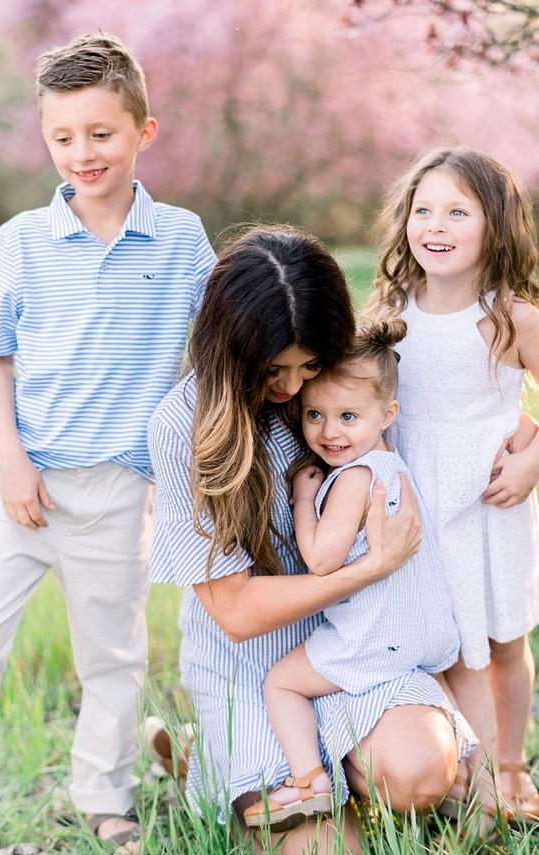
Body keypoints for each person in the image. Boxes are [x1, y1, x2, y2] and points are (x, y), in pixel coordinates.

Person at [146, 224, 476, 854]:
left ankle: (278, 776)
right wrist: (368, 568)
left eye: (309, 365)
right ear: (232, 349)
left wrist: (527, 438)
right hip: (254, 667)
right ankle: (212, 768)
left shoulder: (346, 390)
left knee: (419, 774)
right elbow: (237, 612)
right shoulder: (182, 426)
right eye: (275, 370)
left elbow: (459, 420)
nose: (296, 391)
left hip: (354, 646)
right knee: (329, 848)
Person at [0, 31, 216, 851]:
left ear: (144, 132)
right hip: (21, 480)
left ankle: (104, 793)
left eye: (101, 133)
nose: (82, 153)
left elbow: (226, 337)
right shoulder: (23, 240)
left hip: (117, 485)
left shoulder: (180, 238)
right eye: (62, 137)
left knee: (111, 658)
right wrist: (10, 460)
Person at [366, 145, 539, 825]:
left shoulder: (512, 317)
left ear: (494, 227)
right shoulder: (390, 311)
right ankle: (467, 773)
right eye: (423, 209)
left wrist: (534, 455)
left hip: (492, 501)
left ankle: (511, 766)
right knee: (444, 640)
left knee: (502, 642)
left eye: (457, 211)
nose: (434, 225)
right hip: (420, 499)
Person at [243, 318, 461, 831]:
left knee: (281, 683)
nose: (328, 431)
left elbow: (321, 560)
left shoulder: (354, 478)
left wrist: (302, 498)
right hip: (414, 632)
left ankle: (309, 780)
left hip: (371, 637)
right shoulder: (392, 463)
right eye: (314, 414)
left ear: (388, 414)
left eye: (347, 416)